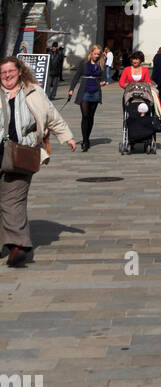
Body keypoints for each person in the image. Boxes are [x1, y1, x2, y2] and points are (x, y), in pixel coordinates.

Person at [0, 55, 75, 266]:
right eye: (3, 73)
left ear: (20, 71)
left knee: (13, 201)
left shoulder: (34, 92)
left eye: (10, 71)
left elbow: (51, 115)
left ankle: (18, 246)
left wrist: (66, 136)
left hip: (22, 152)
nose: (7, 76)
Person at [67, 45, 106, 150]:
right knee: (85, 116)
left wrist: (103, 82)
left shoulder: (101, 64)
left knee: (91, 117)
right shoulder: (84, 63)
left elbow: (104, 77)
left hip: (95, 91)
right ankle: (85, 140)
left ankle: (87, 137)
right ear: (91, 53)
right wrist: (71, 89)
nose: (96, 56)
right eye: (95, 54)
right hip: (85, 91)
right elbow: (76, 76)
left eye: (98, 54)